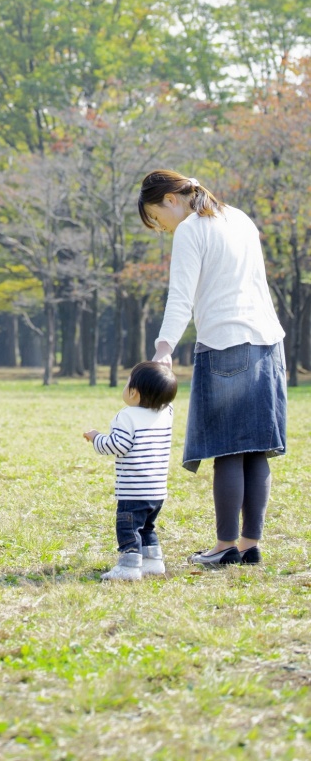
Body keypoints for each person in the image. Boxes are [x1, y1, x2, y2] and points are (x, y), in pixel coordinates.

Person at [138, 169, 287, 568]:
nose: (162, 226)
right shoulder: (239, 218)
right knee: (256, 450)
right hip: (269, 344)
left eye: (157, 217)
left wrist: (163, 348)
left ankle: (223, 547)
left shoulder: (191, 229)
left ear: (171, 199)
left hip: (225, 344)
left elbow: (180, 296)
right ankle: (247, 544)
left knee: (227, 449)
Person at [83, 361, 177, 581]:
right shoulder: (166, 413)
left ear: (134, 393)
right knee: (147, 527)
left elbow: (117, 445)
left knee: (128, 528)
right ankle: (153, 562)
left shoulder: (127, 416)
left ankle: (129, 566)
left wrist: (96, 437)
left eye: (128, 383)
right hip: (157, 490)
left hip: (133, 489)